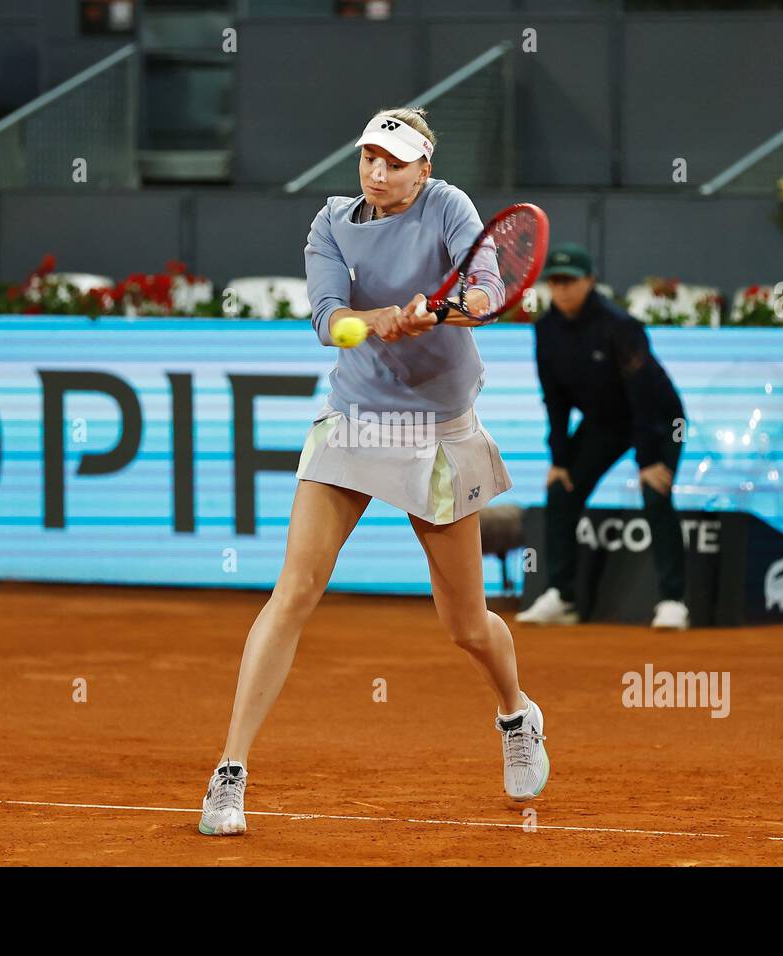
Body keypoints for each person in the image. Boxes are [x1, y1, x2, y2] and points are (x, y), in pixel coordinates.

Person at [197, 106, 550, 836]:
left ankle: (515, 712)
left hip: (438, 430)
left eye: (393, 160)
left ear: (424, 167)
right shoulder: (330, 222)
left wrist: (453, 309)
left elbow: (487, 286)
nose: (378, 171)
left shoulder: (449, 205)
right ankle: (229, 773)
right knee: (293, 591)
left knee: (464, 626)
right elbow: (329, 318)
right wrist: (378, 319)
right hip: (357, 419)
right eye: (368, 157)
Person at [516, 243, 691, 629]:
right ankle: (563, 597)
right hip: (604, 422)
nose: (561, 289)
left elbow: (642, 394)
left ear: (590, 282)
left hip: (658, 419)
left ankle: (673, 601)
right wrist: (559, 459)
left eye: (570, 281)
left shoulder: (621, 326)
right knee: (561, 491)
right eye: (555, 282)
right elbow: (555, 399)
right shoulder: (545, 330)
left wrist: (648, 461)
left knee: (654, 492)